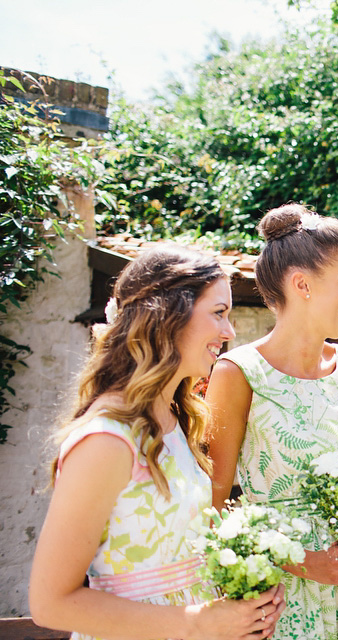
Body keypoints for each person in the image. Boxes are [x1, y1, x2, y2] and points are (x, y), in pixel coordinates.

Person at [29, 245, 285, 640]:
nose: (229, 331)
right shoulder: (107, 439)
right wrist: (198, 623)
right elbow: (50, 603)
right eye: (218, 313)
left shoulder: (175, 420)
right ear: (168, 316)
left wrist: (241, 604)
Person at [204, 204, 338, 640]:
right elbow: (214, 508)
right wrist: (308, 562)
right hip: (281, 596)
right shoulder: (238, 372)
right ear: (302, 284)